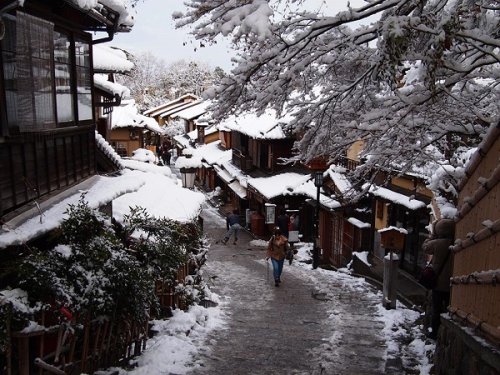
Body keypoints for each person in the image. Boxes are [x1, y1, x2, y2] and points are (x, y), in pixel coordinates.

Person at [422, 218, 454, 340]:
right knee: (447, 308)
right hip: (451, 283)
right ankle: (445, 332)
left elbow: (425, 247)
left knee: (436, 308)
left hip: (438, 282)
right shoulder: (456, 243)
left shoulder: (437, 243)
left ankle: (435, 332)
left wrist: (431, 237)